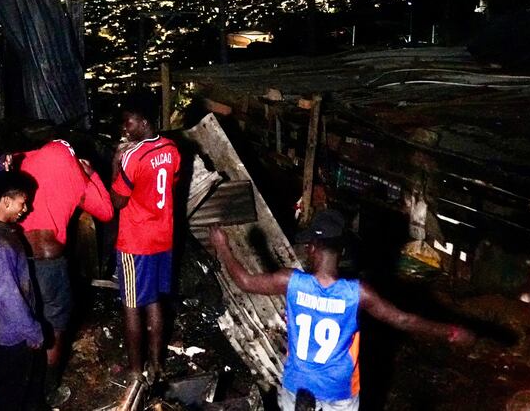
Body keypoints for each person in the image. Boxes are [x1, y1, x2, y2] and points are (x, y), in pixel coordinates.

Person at [208, 210, 476, 411]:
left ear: (312, 248)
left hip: (296, 387)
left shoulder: (290, 281)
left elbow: (244, 281)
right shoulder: (357, 293)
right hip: (339, 391)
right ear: (343, 250)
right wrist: (451, 331)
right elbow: (403, 319)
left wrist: (222, 246)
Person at [0, 139, 113, 404]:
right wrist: (91, 174)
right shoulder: (77, 174)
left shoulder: (25, 160)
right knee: (55, 324)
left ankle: (18, 383)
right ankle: (48, 388)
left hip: (16, 259)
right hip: (49, 263)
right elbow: (106, 212)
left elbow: (6, 157)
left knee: (23, 319)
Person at [110, 95, 181, 383]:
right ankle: (156, 366)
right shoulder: (172, 149)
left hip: (135, 243)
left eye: (128, 122)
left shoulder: (132, 156)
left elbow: (116, 201)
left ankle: (136, 371)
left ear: (144, 122)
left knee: (132, 305)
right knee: (154, 302)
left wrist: (115, 161)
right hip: (163, 238)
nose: (125, 128)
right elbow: (171, 184)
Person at [0, 170, 46, 411]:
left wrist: (0, 170)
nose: (26, 209)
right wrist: (32, 331)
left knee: (10, 382)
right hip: (13, 329)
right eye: (22, 203)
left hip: (0, 322)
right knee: (12, 389)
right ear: (5, 201)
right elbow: (9, 295)